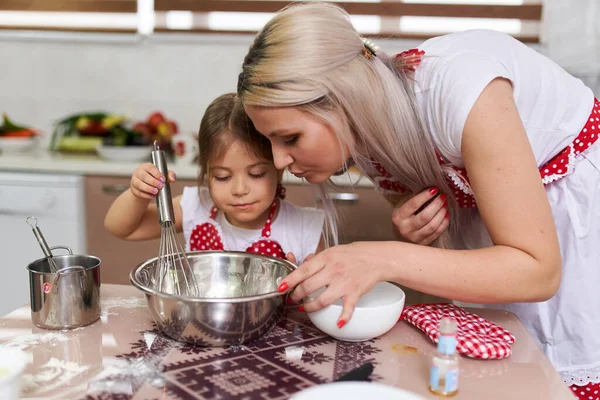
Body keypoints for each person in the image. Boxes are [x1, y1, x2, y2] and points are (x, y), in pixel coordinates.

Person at [235, 2, 600, 396]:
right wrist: (417, 228)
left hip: (575, 232)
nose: (279, 161)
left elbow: (537, 272)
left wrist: (381, 256)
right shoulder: (368, 133)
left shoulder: (462, 86)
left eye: (290, 139)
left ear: (345, 99)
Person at [104, 93, 325, 266]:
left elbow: (324, 296)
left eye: (256, 174)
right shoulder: (196, 207)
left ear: (278, 169)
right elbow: (122, 228)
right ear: (206, 173)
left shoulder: (306, 229)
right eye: (222, 177)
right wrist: (138, 194)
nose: (239, 189)